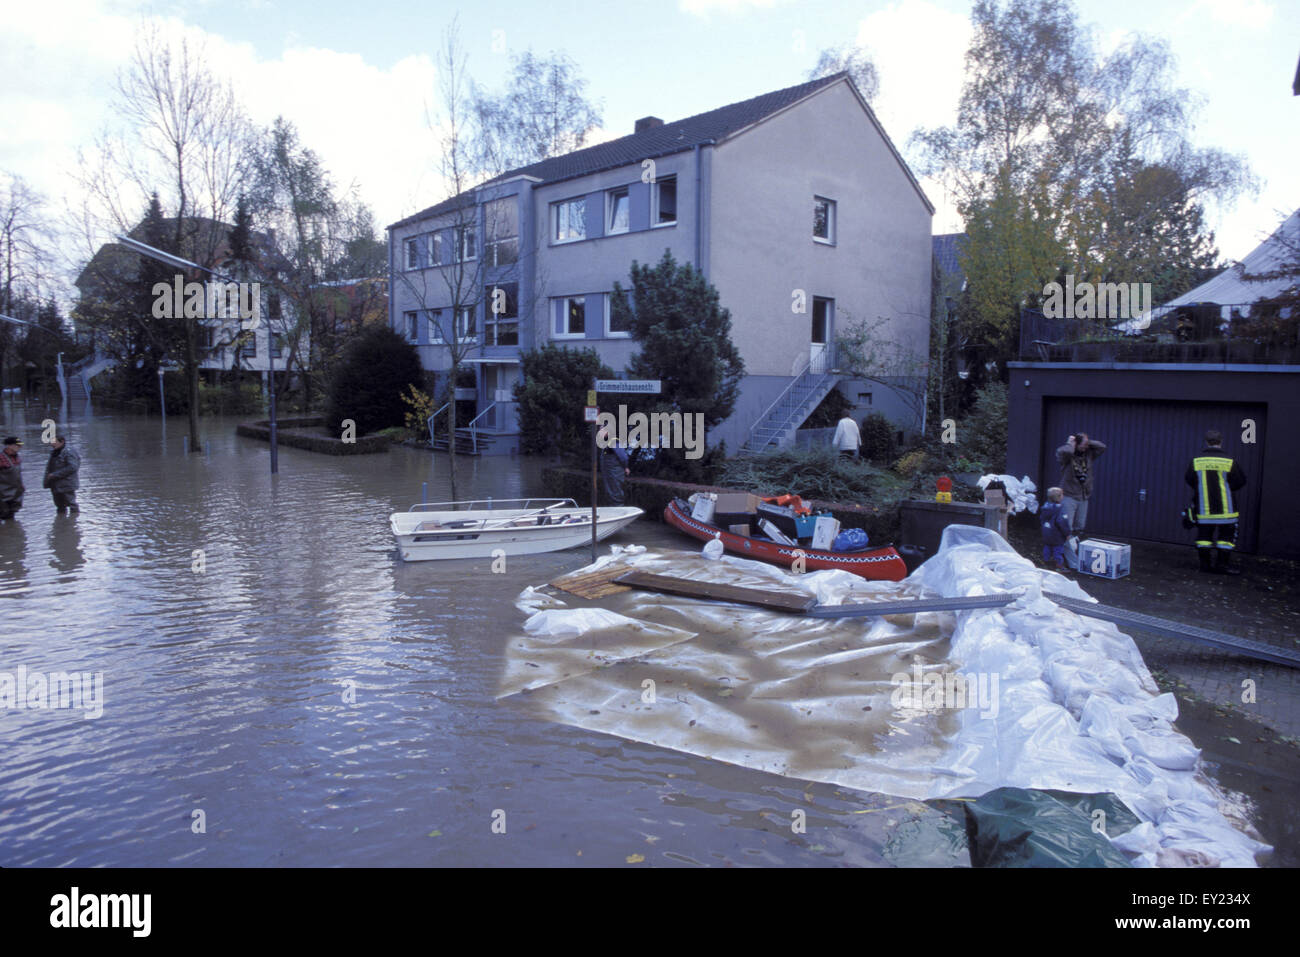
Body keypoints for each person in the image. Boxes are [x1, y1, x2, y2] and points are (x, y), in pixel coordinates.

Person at [1186, 429, 1246, 575]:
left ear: (1206, 442)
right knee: (1226, 539)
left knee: (1204, 538)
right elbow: (1240, 482)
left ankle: (1205, 566)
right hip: (1227, 510)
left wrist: (1202, 489)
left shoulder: (1197, 461)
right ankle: (1222, 566)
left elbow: (1189, 479)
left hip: (1204, 510)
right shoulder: (1229, 461)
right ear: (1221, 442)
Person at [1055, 431, 1106, 537]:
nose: (1085, 448)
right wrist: (1070, 444)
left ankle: (1075, 546)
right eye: (1083, 446)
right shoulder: (1067, 456)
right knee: (1066, 525)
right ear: (1076, 444)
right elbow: (1062, 452)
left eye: (1086, 446)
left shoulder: (1089, 454)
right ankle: (1064, 550)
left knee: (1080, 526)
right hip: (1069, 495)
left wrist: (1087, 442)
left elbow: (1102, 447)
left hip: (1083, 495)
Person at [44, 433, 81, 515]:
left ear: (62, 442)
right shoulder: (54, 452)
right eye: (51, 442)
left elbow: (73, 467)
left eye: (54, 442)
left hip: (67, 484)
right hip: (55, 484)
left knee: (72, 505)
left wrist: (55, 474)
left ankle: (73, 523)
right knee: (59, 506)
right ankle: (61, 523)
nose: (52, 444)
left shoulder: (69, 452)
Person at [1039, 487, 1073, 570]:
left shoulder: (1045, 507)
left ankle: (1045, 561)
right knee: (1058, 549)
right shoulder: (1060, 509)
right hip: (1057, 535)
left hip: (1046, 533)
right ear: (1058, 497)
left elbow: (1041, 519)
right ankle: (1059, 565)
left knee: (1047, 546)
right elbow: (1062, 523)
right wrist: (1067, 533)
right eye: (1062, 495)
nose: (1063, 496)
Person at [597, 424, 630, 506]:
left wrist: (625, 467)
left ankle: (620, 511)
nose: (600, 433)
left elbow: (623, 457)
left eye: (602, 430)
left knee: (616, 493)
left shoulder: (613, 441)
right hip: (609, 475)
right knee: (610, 493)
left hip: (615, 474)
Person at [0, 436, 24, 521]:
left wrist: (22, 487)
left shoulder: (17, 458)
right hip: (3, 495)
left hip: (15, 494)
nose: (19, 447)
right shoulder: (1, 458)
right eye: (17, 445)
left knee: (11, 517)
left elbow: (18, 475)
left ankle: (11, 532)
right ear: (9, 446)